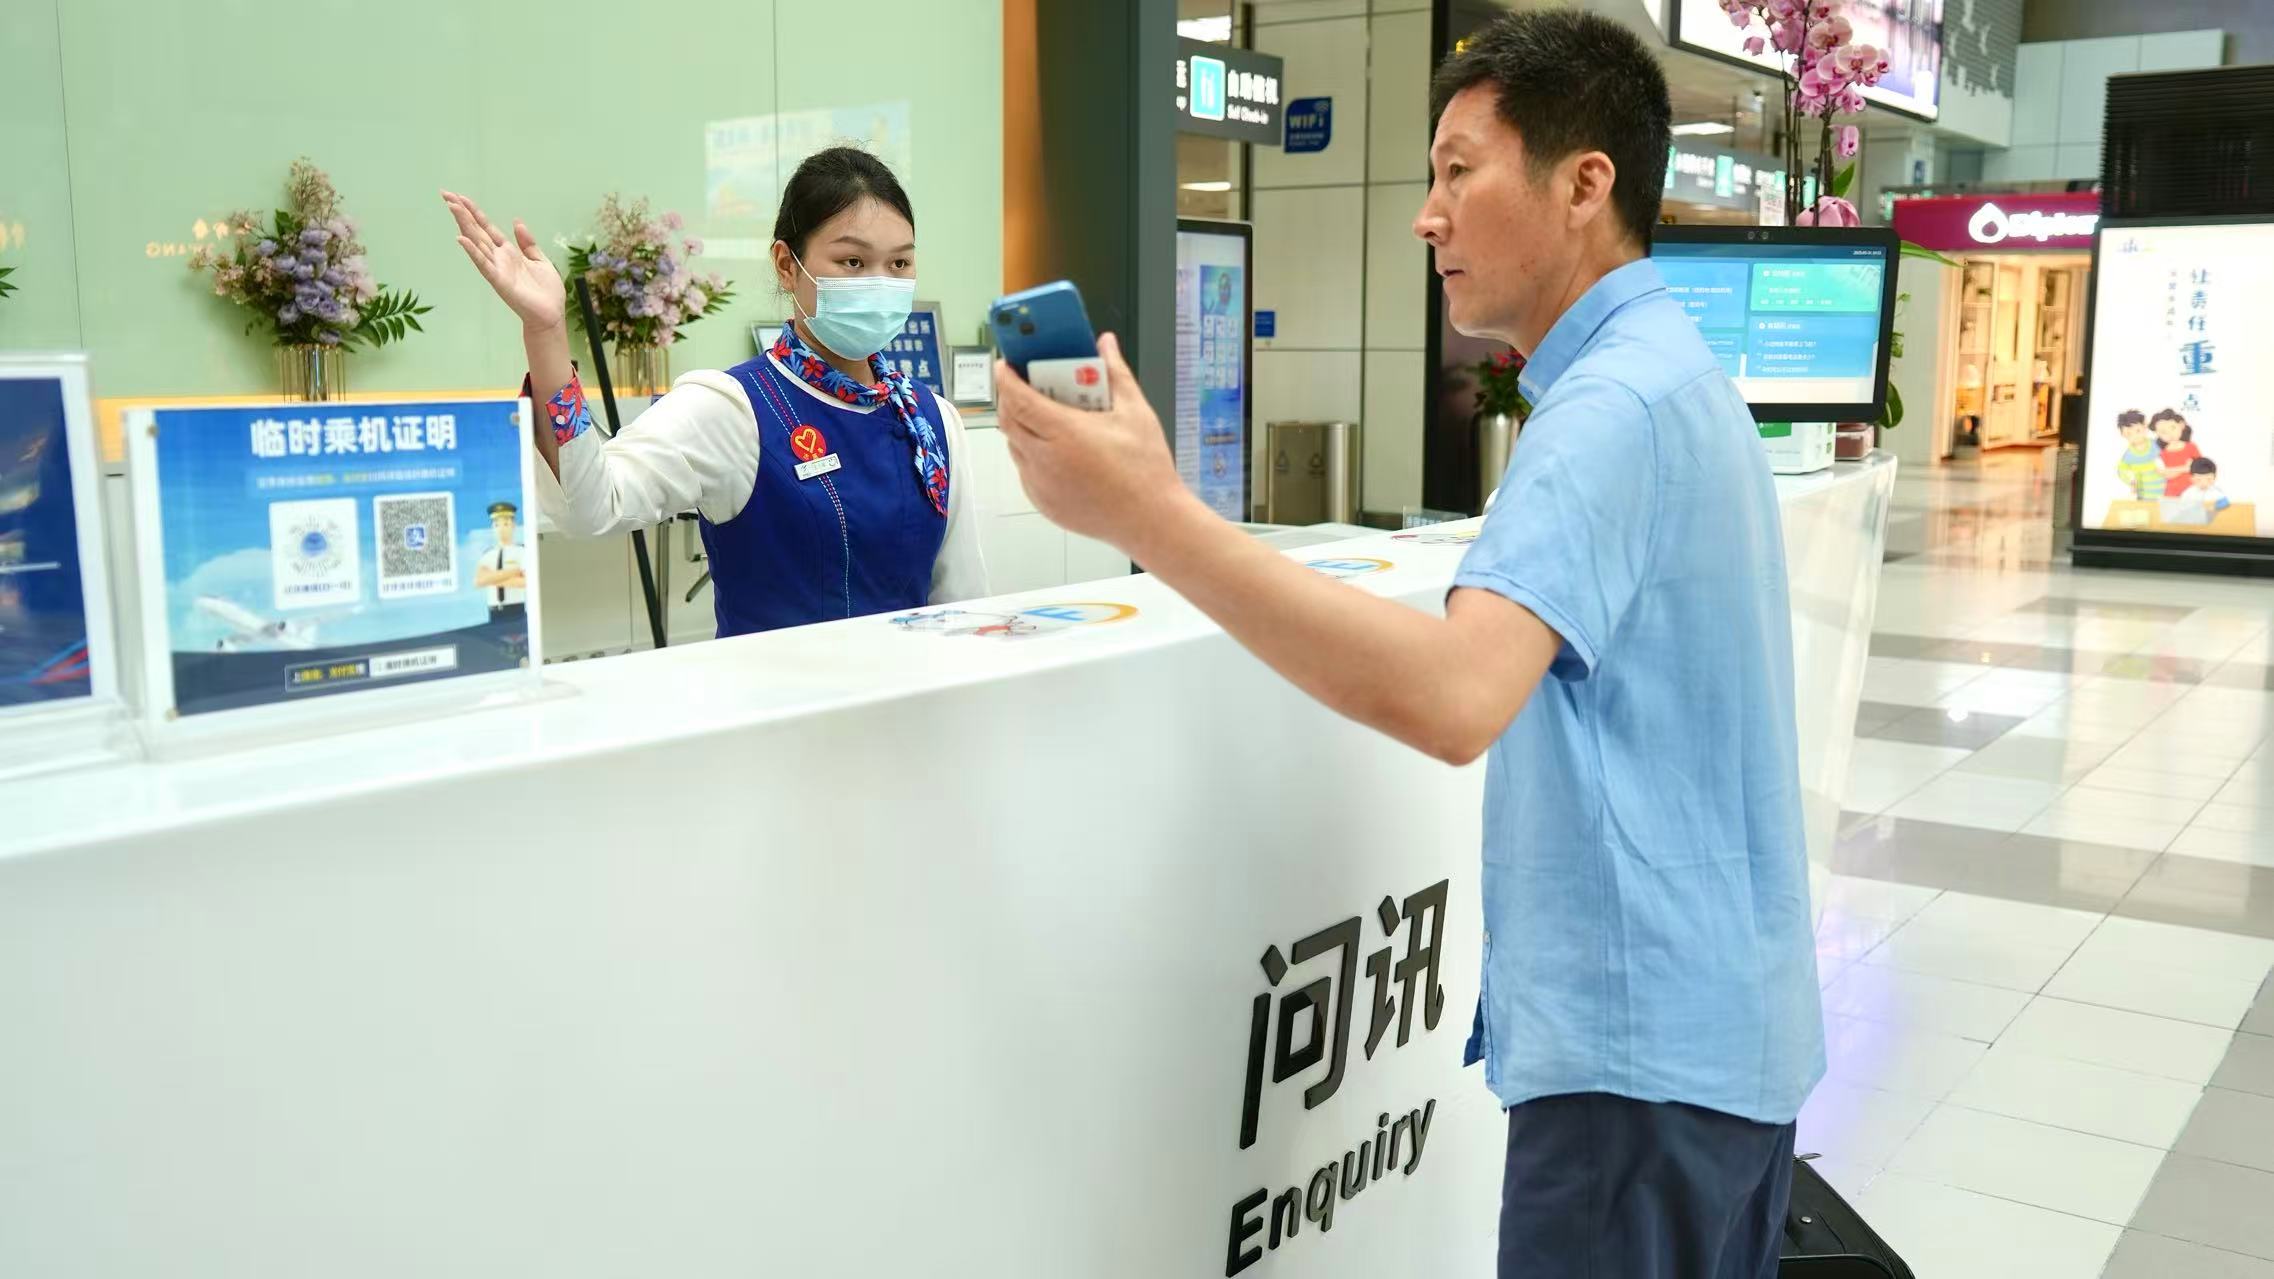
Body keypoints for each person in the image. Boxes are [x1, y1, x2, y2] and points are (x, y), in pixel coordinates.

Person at [993, 11, 1818, 1276]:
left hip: (1639, 1077)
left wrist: (1152, 516)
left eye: (1459, 172)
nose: (1428, 217)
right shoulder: (1671, 372)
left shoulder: (1607, 409)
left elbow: (1454, 694)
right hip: (1716, 1053)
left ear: (1584, 184)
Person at [440, 147, 987, 638]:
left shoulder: (932, 421)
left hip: (911, 709)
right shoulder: (733, 407)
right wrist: (546, 333)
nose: (880, 282)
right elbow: (590, 508)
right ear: (786, 265)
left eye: (899, 263)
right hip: (777, 711)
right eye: (852, 262)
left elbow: (962, 602)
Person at [475, 500, 527, 623]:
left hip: (516, 609)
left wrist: (491, 579)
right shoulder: (487, 555)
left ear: (513, 525)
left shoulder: (522, 551)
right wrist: (514, 572)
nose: (501, 529)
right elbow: (478, 581)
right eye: (496, 525)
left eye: (506, 524)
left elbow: (526, 581)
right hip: (493, 611)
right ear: (492, 528)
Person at [2152, 408, 2201, 498]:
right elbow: (2166, 474)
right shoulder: (2163, 453)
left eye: (2172, 428)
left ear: (2181, 425)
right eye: (2163, 432)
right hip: (2171, 493)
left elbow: (2199, 468)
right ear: (2158, 434)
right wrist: (2185, 468)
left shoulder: (2191, 447)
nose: (2170, 434)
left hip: (2191, 490)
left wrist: (2172, 470)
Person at [2115, 409, 2162, 500]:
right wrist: (2131, 480)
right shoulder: (2128, 456)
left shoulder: (2156, 446)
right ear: (2123, 435)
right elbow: (2122, 471)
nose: (2135, 436)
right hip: (2143, 496)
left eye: (2138, 431)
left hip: (2164, 493)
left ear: (2145, 427)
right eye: (2129, 433)